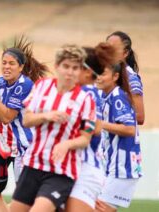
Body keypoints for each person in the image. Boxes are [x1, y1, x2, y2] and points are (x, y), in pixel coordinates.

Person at [10, 44, 96, 212]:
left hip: (61, 170)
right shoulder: (42, 86)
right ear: (57, 67)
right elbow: (26, 120)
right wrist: (45, 116)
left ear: (80, 71)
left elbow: (85, 138)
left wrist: (66, 145)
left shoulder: (86, 100)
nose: (70, 72)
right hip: (33, 164)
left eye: (75, 68)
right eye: (66, 66)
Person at [0, 37, 48, 212]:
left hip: (24, 148)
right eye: (4, 63)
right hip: (2, 146)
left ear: (21, 67)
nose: (6, 67)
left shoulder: (24, 85)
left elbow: (7, 117)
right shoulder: (1, 82)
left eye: (11, 63)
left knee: (23, 201)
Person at [65, 43, 116, 212]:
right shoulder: (78, 92)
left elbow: (95, 129)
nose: (69, 71)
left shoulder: (88, 93)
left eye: (75, 67)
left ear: (87, 71)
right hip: (71, 167)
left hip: (85, 168)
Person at [95, 51, 142, 211]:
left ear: (115, 77)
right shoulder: (105, 96)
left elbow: (129, 129)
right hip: (111, 164)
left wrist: (101, 124)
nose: (98, 76)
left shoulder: (118, 97)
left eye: (103, 73)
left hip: (123, 167)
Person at [106, 31, 144, 125]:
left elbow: (140, 117)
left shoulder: (131, 78)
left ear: (125, 53)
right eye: (107, 48)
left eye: (113, 49)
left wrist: (105, 121)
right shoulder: (105, 75)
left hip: (122, 138)